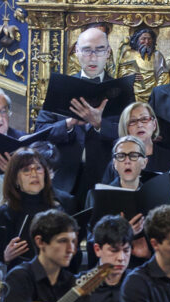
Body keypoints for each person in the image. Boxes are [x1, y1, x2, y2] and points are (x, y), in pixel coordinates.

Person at [34, 26, 121, 203]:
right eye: (87, 50)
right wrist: (69, 123)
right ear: (77, 52)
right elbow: (39, 132)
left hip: (105, 179)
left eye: (99, 50)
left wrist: (99, 124)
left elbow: (129, 136)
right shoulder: (60, 87)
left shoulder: (121, 90)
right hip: (62, 179)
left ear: (108, 53)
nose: (93, 57)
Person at [0, 148, 75, 266]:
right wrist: (5, 257)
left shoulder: (59, 208)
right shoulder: (6, 212)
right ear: (15, 179)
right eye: (26, 170)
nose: (34, 174)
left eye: (38, 168)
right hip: (18, 274)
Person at [103, 102, 170, 178]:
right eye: (133, 121)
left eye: (144, 119)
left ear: (154, 124)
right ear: (125, 127)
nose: (139, 125)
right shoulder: (117, 162)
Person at [116, 27, 170, 103]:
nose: (147, 42)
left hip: (153, 95)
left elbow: (164, 75)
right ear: (137, 40)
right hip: (133, 95)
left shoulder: (157, 55)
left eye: (149, 39)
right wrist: (130, 77)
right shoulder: (129, 54)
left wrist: (157, 92)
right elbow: (120, 74)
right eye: (143, 39)